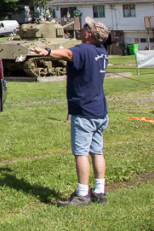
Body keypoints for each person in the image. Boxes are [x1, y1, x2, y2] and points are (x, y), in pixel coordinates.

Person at [31, 17, 110, 206]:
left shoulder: (84, 49)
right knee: (97, 152)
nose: (81, 30)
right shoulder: (102, 51)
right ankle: (100, 191)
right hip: (100, 111)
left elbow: (67, 53)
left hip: (84, 112)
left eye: (84, 28)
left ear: (89, 34)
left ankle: (82, 195)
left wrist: (47, 51)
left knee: (81, 153)